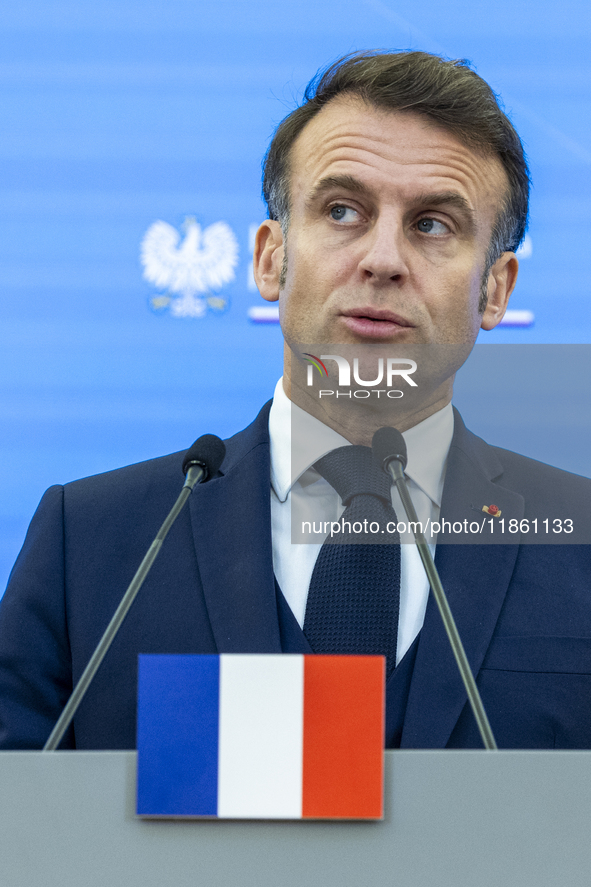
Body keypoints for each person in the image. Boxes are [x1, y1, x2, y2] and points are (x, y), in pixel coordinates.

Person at [1, 51, 590, 751]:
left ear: (495, 289)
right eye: (342, 210)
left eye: (432, 224)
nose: (381, 259)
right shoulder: (90, 541)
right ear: (269, 259)